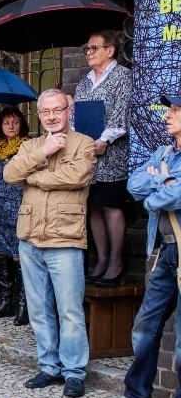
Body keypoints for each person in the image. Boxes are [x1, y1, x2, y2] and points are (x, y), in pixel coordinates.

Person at [3, 89, 96, 398]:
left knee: (69, 310)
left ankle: (74, 372)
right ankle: (49, 366)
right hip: (30, 237)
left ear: (68, 110)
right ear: (39, 114)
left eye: (57, 110)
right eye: (46, 111)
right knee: (39, 309)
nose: (52, 116)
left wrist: (35, 177)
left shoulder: (84, 143)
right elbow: (10, 173)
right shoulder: (31, 145)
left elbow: (77, 177)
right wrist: (42, 153)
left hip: (65, 238)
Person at [96, 93, 181, 398]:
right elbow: (134, 185)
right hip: (163, 252)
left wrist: (156, 192)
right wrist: (162, 180)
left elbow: (176, 195)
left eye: (176, 110)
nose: (167, 115)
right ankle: (136, 396)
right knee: (145, 327)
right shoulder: (163, 154)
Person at [72, 30, 133, 286]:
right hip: (88, 154)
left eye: (93, 48)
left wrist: (104, 140)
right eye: (87, 49)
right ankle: (102, 260)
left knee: (110, 204)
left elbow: (122, 113)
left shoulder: (122, 76)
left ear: (110, 50)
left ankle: (116, 262)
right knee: (94, 206)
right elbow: (75, 116)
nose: (89, 53)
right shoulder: (84, 82)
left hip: (112, 153)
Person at [0, 107, 30, 325]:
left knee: (18, 255)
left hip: (19, 204)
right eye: (6, 123)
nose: (11, 126)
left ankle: (23, 306)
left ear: (22, 124)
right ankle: (5, 303)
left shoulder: (28, 146)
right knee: (1, 254)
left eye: (15, 122)